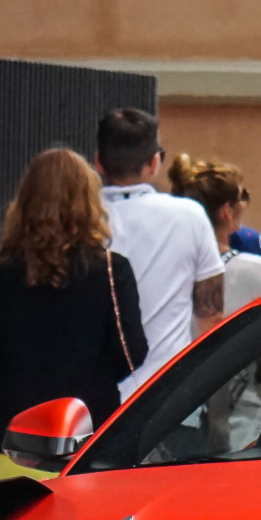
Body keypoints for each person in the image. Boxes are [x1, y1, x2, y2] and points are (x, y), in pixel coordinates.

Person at [0, 148, 148, 492]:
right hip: (88, 443)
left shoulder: (2, 274)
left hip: (14, 443)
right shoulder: (110, 270)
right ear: (89, 203)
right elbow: (132, 353)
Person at [96, 108, 220, 396]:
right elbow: (210, 317)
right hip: (168, 398)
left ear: (99, 162)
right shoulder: (190, 216)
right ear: (154, 162)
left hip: (96, 402)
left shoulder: (77, 219)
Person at [170, 156, 261, 318]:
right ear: (226, 212)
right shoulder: (256, 272)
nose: (244, 204)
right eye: (242, 197)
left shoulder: (166, 266)